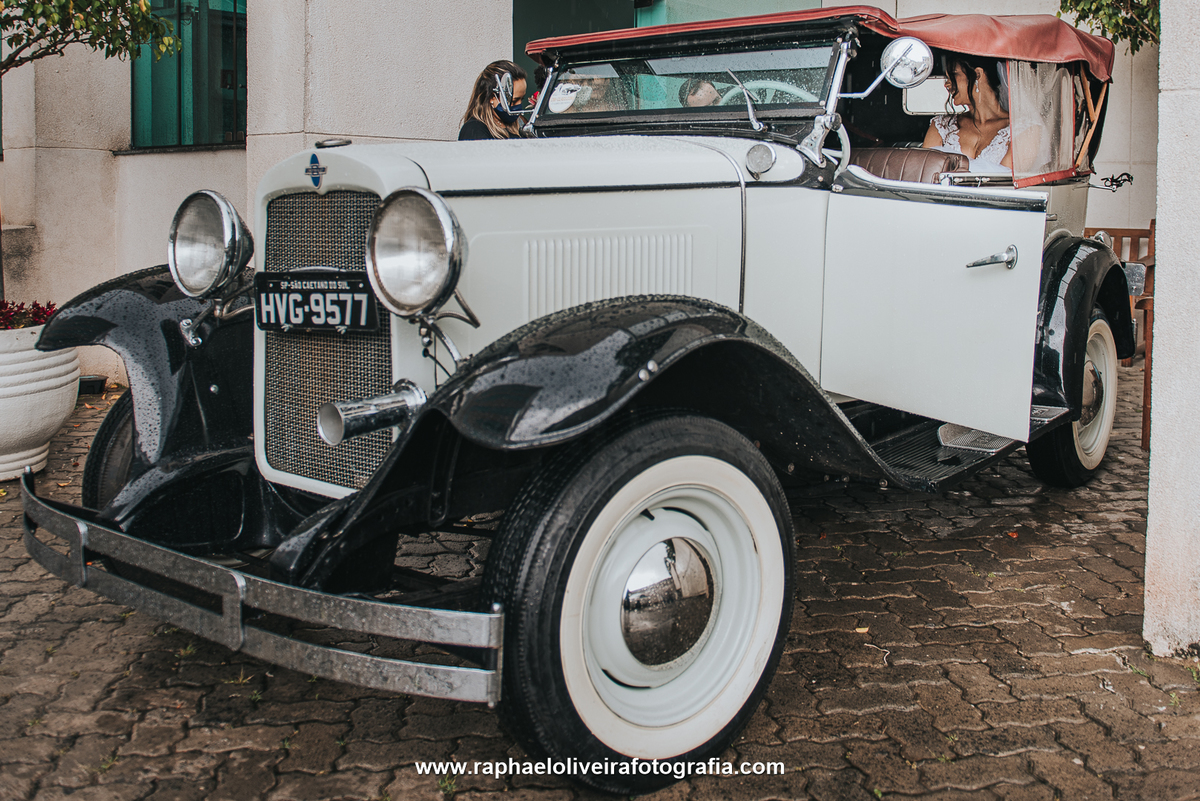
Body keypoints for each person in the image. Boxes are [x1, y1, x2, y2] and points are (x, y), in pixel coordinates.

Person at [921, 55, 1011, 172]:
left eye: (953, 75)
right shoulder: (941, 126)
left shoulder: (1018, 130)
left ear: (977, 74)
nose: (947, 84)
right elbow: (925, 172)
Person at [459, 60, 528, 140]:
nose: (519, 105)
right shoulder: (474, 130)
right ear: (492, 97)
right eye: (514, 101)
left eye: (522, 99)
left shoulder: (519, 126)